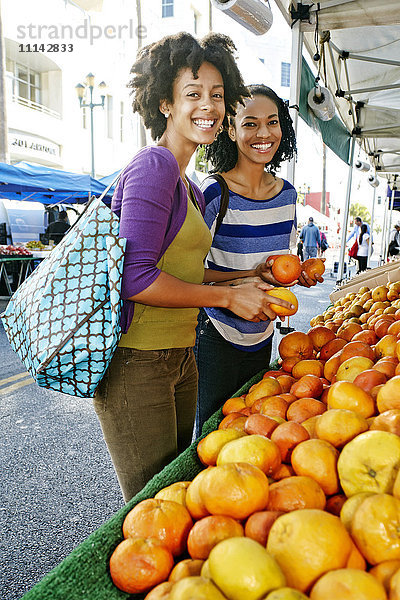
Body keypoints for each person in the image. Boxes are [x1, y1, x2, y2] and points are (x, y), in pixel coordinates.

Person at [93, 34, 293, 502]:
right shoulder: (155, 167)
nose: (209, 105)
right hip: (137, 361)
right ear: (165, 101)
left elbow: (189, 274)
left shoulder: (187, 184)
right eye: (193, 93)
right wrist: (227, 298)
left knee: (181, 490)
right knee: (153, 506)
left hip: (181, 357)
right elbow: (135, 277)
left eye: (218, 95)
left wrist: (246, 280)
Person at [194, 85, 321, 438]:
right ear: (231, 130)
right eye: (250, 124)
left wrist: (297, 275)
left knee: (251, 427)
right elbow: (189, 273)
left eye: (272, 122)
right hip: (214, 333)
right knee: (211, 434)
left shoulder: (288, 196)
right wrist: (248, 275)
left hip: (263, 334)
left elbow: (276, 267)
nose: (264, 133)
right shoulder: (214, 193)